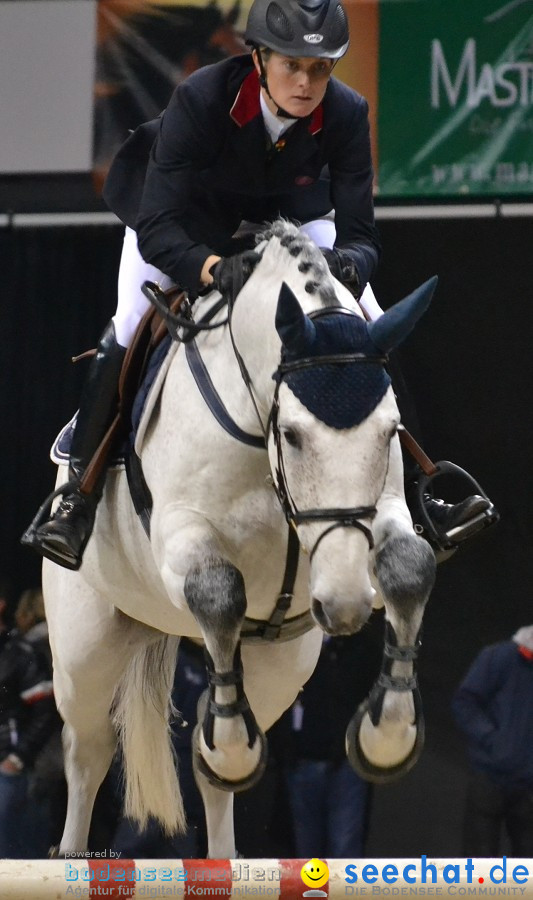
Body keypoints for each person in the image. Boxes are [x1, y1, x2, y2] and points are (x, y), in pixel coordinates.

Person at [22, 0, 492, 572]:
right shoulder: (201, 98)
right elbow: (159, 226)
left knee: (370, 326)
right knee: (126, 323)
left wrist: (347, 264)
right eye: (293, 65)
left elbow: (363, 235)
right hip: (186, 218)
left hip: (293, 217)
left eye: (321, 69)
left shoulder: (346, 112)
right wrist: (212, 268)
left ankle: (425, 493)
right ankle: (79, 495)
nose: (307, 82)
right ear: (259, 57)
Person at [284, 613, 383, 857]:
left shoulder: (362, 647)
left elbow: (376, 700)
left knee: (345, 850)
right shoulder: (296, 647)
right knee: (306, 855)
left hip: (347, 766)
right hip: (303, 762)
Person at [452, 626, 533, 856]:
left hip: (528, 787)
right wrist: (492, 739)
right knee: (479, 871)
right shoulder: (500, 657)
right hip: (488, 778)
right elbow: (464, 702)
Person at [0, 586, 56, 857]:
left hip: (11, 772)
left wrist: (17, 758)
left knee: (16, 861)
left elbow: (45, 711)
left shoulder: (20, 652)